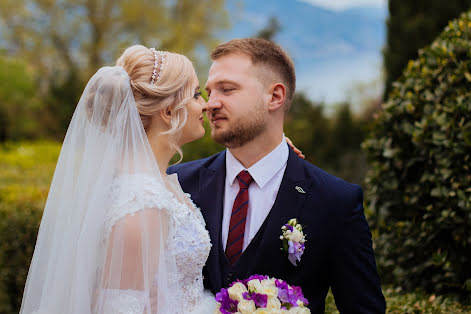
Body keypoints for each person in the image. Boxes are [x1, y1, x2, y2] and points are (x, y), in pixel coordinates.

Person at [168, 38, 387, 313]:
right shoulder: (176, 184)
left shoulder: (335, 202)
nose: (211, 104)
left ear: (275, 96)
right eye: (209, 91)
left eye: (227, 89)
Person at [20, 45, 216, 313]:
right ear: (168, 111)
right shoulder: (144, 203)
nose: (205, 104)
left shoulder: (153, 182)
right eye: (196, 94)